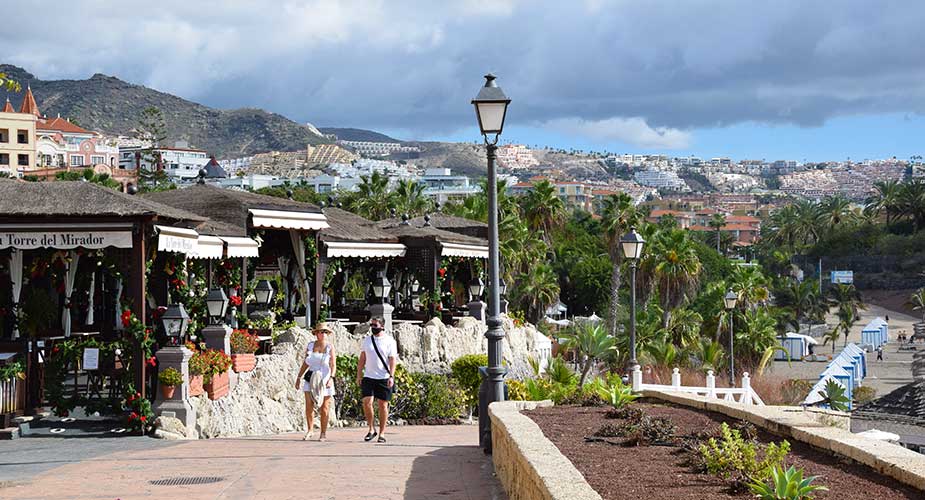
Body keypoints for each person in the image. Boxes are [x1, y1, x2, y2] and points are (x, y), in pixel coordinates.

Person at [357, 317, 397, 443]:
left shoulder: (389, 341)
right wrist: (359, 375)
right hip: (369, 376)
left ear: (382, 326)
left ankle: (382, 432)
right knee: (367, 402)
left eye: (375, 325)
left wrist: (391, 376)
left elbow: (392, 360)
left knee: (383, 405)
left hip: (383, 377)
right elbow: (362, 358)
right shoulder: (367, 340)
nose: (373, 327)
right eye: (372, 325)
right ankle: (371, 429)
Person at [295, 322, 336, 441]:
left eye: (325, 332)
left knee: (324, 407)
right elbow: (306, 362)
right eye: (321, 332)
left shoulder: (329, 347)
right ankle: (310, 430)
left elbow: (333, 364)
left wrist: (331, 378)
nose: (323, 334)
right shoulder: (310, 345)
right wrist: (298, 377)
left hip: (324, 379)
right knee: (309, 405)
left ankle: (323, 433)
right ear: (316, 334)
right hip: (311, 377)